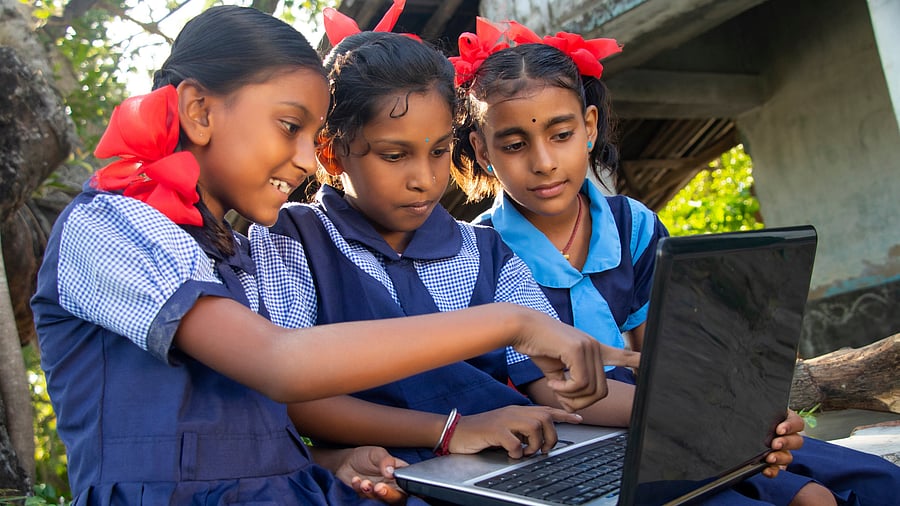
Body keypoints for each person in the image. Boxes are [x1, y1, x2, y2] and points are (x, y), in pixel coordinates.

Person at [28, 7, 633, 505]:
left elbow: (256, 418)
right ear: (198, 111)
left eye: (307, 134)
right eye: (288, 126)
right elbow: (281, 366)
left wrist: (332, 457)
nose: (302, 160)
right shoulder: (110, 225)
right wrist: (515, 322)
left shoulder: (231, 247)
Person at [249, 12, 798, 489]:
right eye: (395, 156)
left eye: (439, 151)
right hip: (391, 469)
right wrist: (449, 431)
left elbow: (559, 389)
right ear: (332, 151)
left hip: (509, 464)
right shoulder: (290, 241)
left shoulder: (484, 251)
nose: (424, 179)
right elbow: (297, 396)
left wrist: (705, 415)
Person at [450, 18, 900, 506]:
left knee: (878, 481)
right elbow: (559, 394)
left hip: (671, 419)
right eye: (514, 145)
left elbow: (664, 356)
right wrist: (716, 418)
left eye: (561, 135)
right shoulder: (481, 255)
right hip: (572, 443)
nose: (543, 162)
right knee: (800, 499)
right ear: (482, 149)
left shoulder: (631, 224)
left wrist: (748, 417)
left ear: (590, 126)